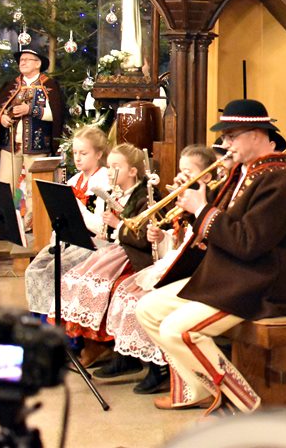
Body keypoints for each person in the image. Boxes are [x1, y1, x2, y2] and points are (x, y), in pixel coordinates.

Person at [136, 99, 286, 414]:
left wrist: (202, 209)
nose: (225, 144)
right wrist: (192, 202)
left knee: (179, 330)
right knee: (147, 308)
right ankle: (195, 389)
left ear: (256, 134)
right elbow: (219, 224)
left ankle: (243, 404)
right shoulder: (243, 172)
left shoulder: (281, 182)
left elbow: (247, 243)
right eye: (225, 137)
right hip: (228, 277)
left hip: (260, 287)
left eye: (231, 136)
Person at [103, 144, 221, 395]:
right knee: (125, 293)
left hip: (197, 269)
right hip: (178, 260)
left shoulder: (208, 202)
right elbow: (177, 239)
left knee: (142, 299)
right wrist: (161, 237)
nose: (181, 177)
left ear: (206, 176)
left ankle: (162, 368)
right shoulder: (185, 198)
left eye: (188, 172)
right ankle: (137, 359)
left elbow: (198, 241)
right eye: (180, 170)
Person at [58, 143, 151, 368]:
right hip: (115, 250)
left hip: (134, 256)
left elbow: (142, 239)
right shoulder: (113, 192)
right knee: (74, 278)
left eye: (116, 167)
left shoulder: (145, 196)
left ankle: (103, 347)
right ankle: (85, 343)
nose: (110, 172)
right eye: (108, 166)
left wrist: (117, 225)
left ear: (132, 171)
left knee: (99, 284)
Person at [25, 125, 110, 318]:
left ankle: (52, 322)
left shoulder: (103, 181)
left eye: (83, 153)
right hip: (68, 240)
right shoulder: (73, 181)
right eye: (75, 153)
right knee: (34, 270)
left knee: (51, 273)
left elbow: (99, 226)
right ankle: (36, 320)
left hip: (91, 243)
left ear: (98, 154)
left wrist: (76, 208)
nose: (77, 158)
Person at [0, 47, 64, 215]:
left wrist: (31, 110)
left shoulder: (49, 85)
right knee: (5, 187)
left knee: (33, 190)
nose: (22, 62)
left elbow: (56, 115)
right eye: (21, 60)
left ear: (38, 64)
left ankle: (32, 224)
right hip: (10, 146)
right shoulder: (12, 85)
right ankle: (5, 224)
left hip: (37, 146)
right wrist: (2, 118)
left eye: (27, 59)